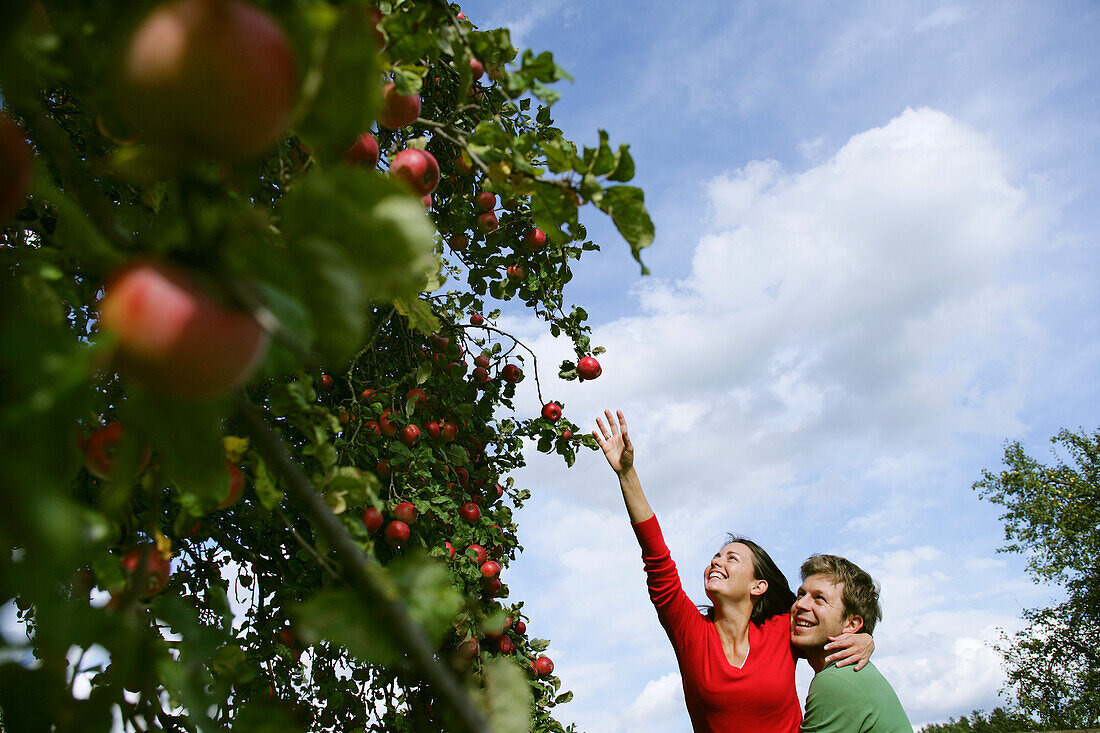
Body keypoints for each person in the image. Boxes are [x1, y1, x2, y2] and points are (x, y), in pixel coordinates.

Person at [593, 410, 875, 733]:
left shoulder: (784, 633)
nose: (717, 562)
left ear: (758, 586)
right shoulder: (692, 634)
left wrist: (866, 639)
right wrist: (627, 473)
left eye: (732, 559)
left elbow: (835, 630)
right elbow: (656, 557)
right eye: (716, 556)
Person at [792, 555, 912, 732]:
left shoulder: (835, 680)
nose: (801, 604)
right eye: (801, 594)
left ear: (852, 624)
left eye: (820, 599)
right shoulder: (853, 673)